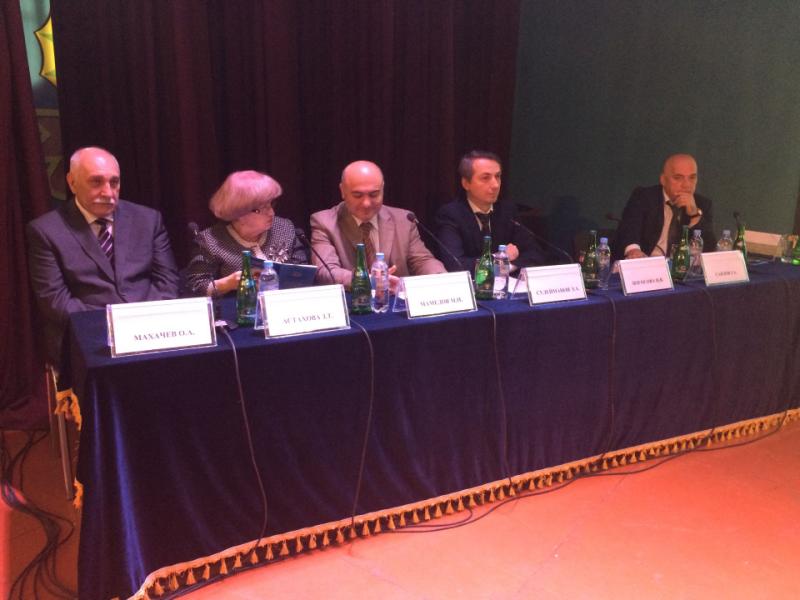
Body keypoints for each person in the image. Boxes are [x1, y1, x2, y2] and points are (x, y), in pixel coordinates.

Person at [26, 146, 179, 367]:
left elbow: (168, 283)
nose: (108, 192)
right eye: (96, 182)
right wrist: (117, 325)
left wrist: (142, 324)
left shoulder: (148, 220)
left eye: (114, 182)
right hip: (89, 339)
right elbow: (55, 301)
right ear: (72, 182)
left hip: (152, 332)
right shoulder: (45, 231)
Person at [310, 160, 445, 289]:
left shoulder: (404, 220)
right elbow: (325, 271)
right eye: (357, 195)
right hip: (354, 301)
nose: (366, 203)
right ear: (342, 191)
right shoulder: (324, 222)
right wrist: (368, 280)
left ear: (382, 189)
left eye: (374, 194)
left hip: (395, 300)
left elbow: (422, 261)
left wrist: (441, 278)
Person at [184, 170, 307, 297]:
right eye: (262, 208)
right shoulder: (210, 241)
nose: (272, 213)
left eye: (271, 204)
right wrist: (228, 283)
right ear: (238, 212)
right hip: (238, 307)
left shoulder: (284, 228)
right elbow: (196, 287)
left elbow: (303, 272)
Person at [435, 150, 546, 271]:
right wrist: (501, 258)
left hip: (506, 281)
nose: (495, 185)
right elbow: (455, 264)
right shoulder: (451, 214)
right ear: (466, 183)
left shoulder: (507, 210)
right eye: (485, 178)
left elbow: (535, 254)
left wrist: (504, 267)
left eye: (497, 176)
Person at [615, 154, 716, 260]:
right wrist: (634, 250)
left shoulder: (702, 204)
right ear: (663, 180)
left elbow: (709, 249)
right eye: (678, 178)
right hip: (645, 263)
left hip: (679, 267)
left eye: (692, 178)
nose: (686, 185)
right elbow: (629, 229)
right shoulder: (644, 197)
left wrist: (694, 215)